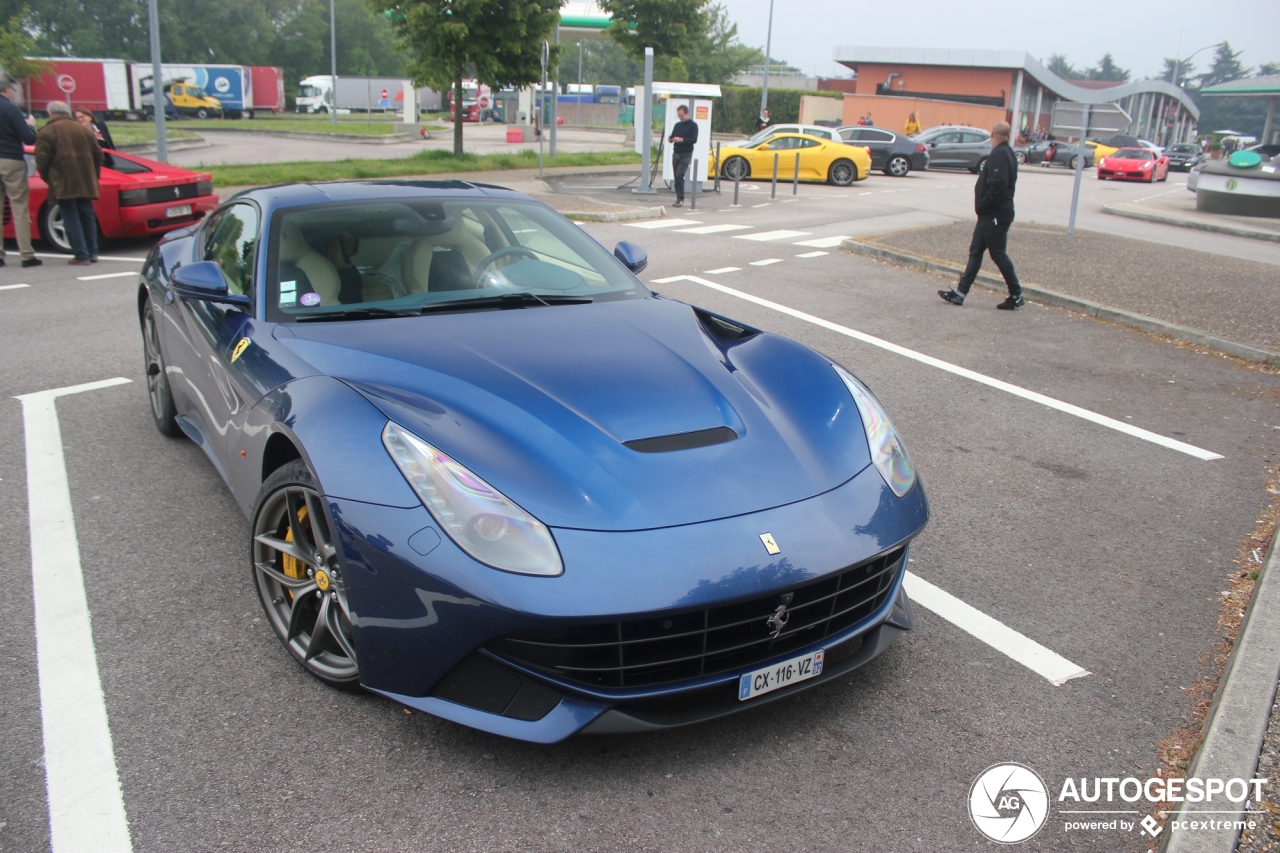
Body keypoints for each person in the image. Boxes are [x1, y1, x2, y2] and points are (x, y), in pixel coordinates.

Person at [938, 120, 1024, 310]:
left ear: (993, 135)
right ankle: (960, 293)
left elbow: (998, 184)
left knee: (998, 254)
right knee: (976, 251)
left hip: (994, 214)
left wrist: (984, 204)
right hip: (991, 214)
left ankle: (1016, 293)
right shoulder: (1009, 153)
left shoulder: (1000, 154)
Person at [34, 100, 102, 265]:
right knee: (86, 214)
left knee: (70, 216)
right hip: (86, 178)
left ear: (51, 113)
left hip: (63, 180)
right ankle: (93, 252)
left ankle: (81, 255)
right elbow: (98, 155)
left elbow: (42, 160)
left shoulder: (47, 132)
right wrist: (94, 175)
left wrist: (48, 179)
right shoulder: (84, 130)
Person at [0, 76, 41, 268]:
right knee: (19, 208)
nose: (14, 93)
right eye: (13, 90)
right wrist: (31, 125)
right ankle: (26, 254)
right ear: (6, 90)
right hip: (11, 160)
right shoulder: (11, 109)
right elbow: (28, 139)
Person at [667, 104, 698, 208]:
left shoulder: (693, 125)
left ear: (687, 113)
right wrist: (671, 139)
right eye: (679, 115)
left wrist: (682, 140)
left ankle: (681, 198)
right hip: (676, 152)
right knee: (676, 176)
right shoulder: (677, 125)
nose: (680, 117)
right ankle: (678, 198)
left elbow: (693, 139)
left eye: (682, 115)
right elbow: (672, 136)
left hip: (686, 153)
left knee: (680, 174)